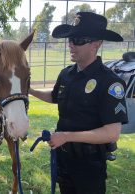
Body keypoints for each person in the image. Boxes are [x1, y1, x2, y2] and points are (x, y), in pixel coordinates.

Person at [29, 12, 128, 194]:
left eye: (79, 40)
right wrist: (30, 90)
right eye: (70, 39)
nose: (71, 45)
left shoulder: (110, 82)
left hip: (89, 165)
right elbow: (54, 96)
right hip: (64, 158)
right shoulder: (66, 74)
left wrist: (66, 136)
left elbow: (112, 133)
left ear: (96, 44)